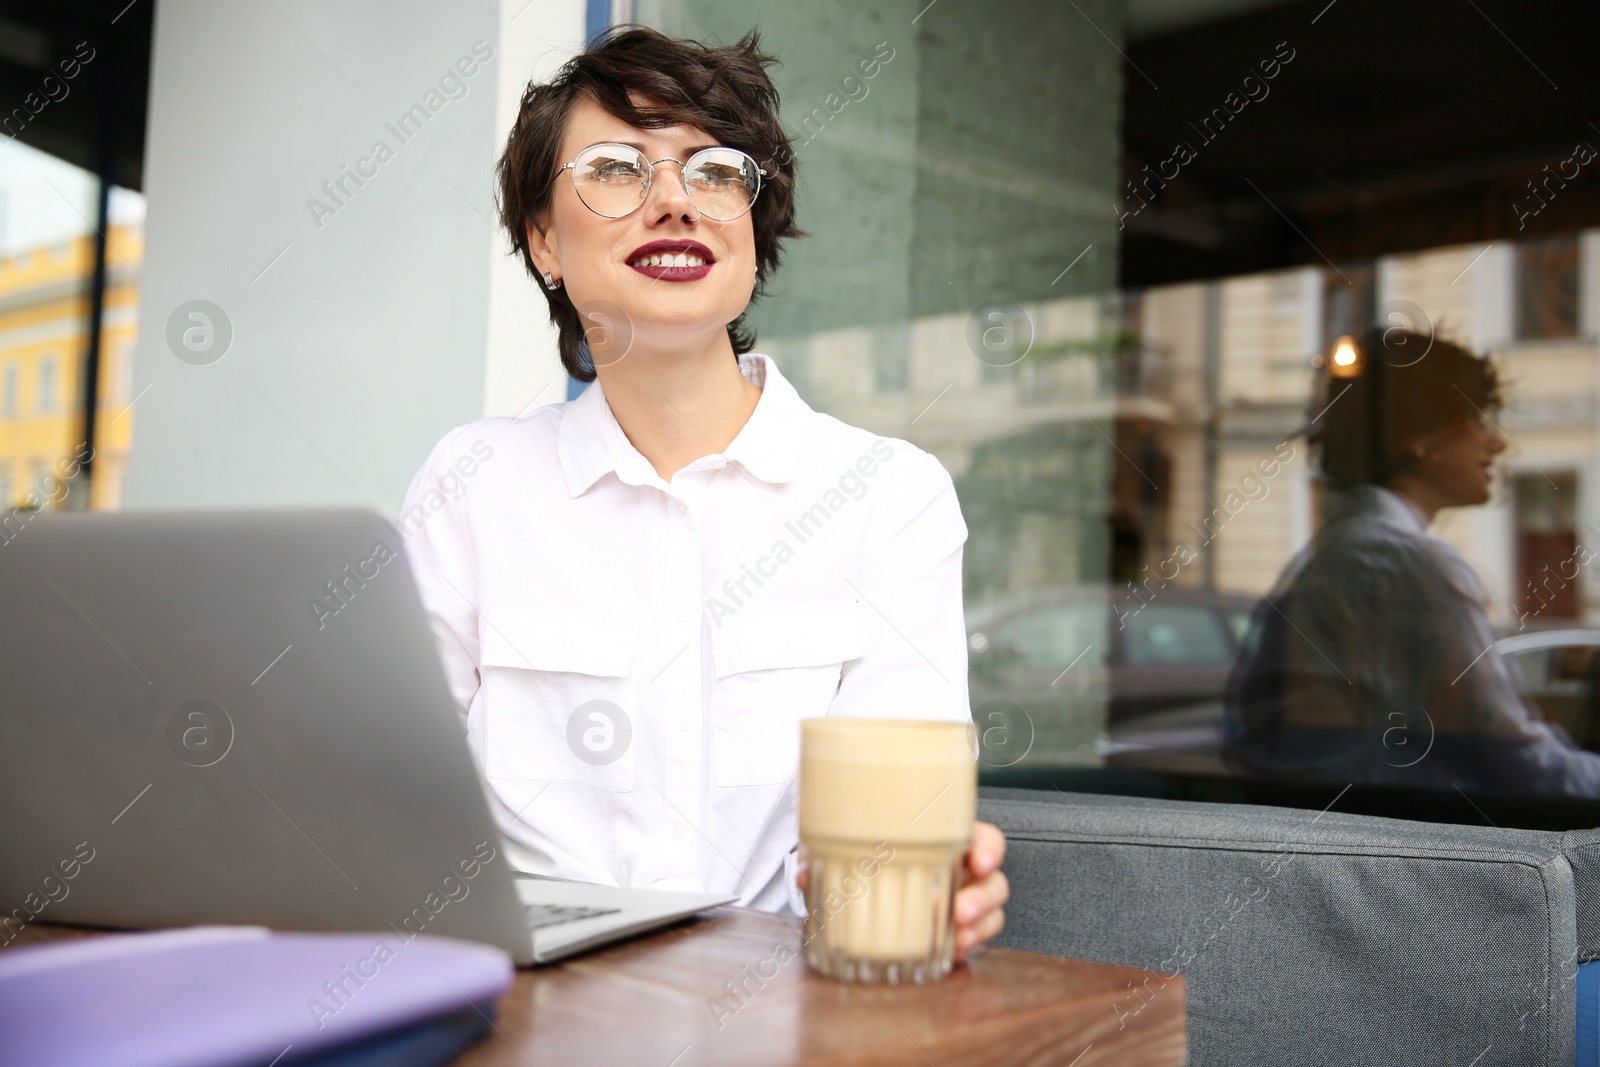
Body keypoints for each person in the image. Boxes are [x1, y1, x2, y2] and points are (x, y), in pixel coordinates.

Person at [397, 27, 1008, 958]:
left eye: (714, 171)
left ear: (753, 228)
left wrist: (921, 887)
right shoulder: (471, 486)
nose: (674, 201)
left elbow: (892, 846)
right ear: (544, 240)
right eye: (616, 168)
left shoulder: (888, 498)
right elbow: (395, 809)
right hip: (522, 1005)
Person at [1222, 327, 1600, 796]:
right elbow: (1515, 766)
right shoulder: (1404, 565)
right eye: (1479, 418)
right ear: (1419, 436)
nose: (1497, 444)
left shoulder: (1345, 552)